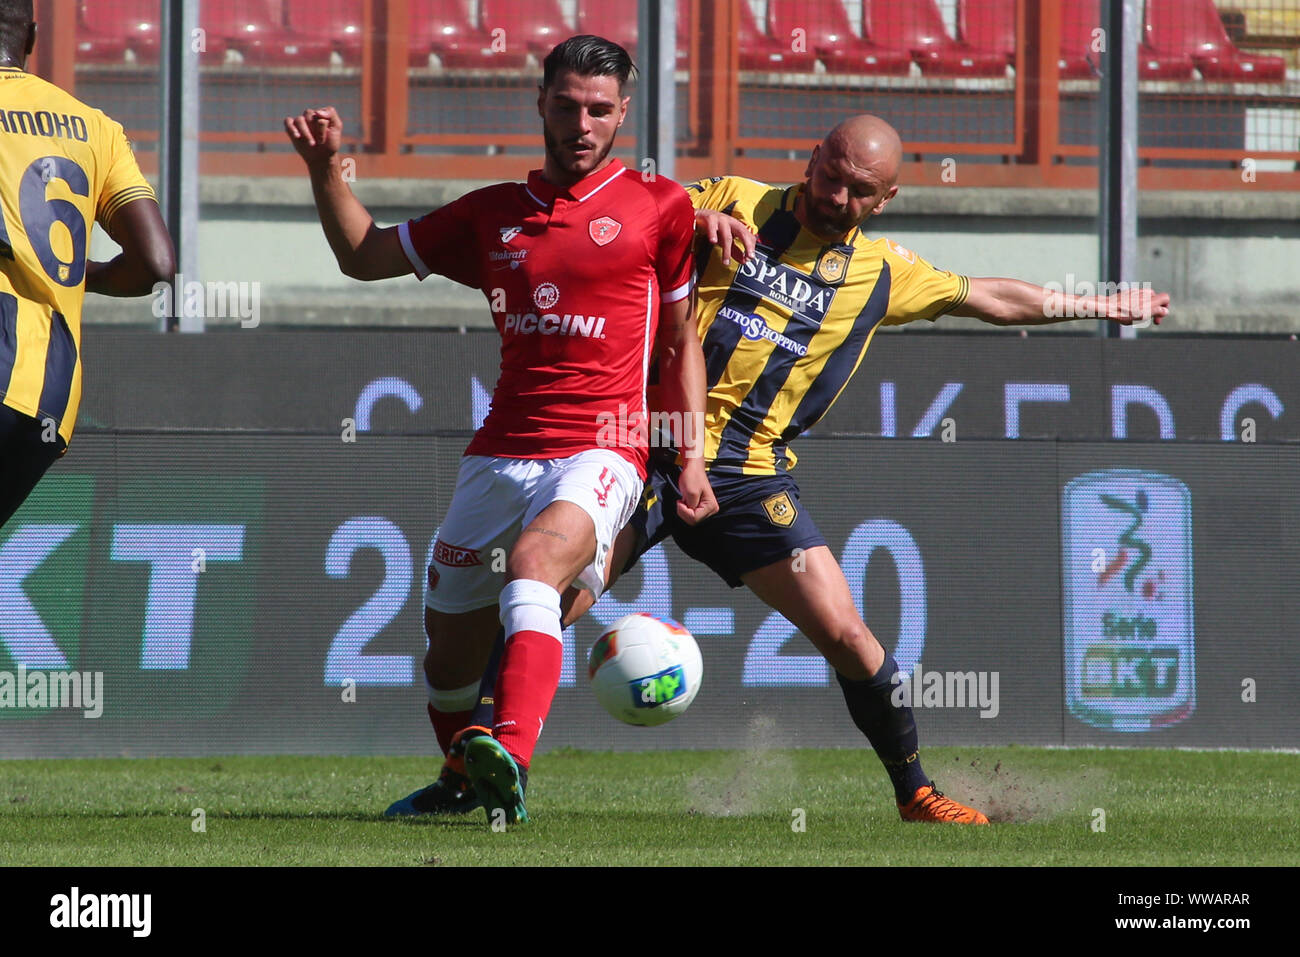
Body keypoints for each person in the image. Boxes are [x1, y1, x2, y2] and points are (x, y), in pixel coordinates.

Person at [400, 113, 1171, 826]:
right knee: (547, 600)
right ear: (811, 159)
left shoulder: (881, 273)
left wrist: (1100, 302)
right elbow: (641, 217)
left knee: (848, 635)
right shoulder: (733, 197)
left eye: (856, 189)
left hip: (743, 475)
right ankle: (471, 769)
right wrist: (694, 221)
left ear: (887, 198)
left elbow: (994, 298)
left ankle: (917, 792)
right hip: (638, 443)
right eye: (828, 173)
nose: (834, 194)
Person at [286, 35, 716, 826]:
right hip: (500, 448)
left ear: (623, 113)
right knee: (445, 658)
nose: (582, 123)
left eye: (598, 109)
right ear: (540, 102)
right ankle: (461, 779)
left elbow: (683, 339)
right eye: (566, 105)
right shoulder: (491, 214)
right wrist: (326, 169)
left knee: (535, 564)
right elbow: (363, 255)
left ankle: (510, 753)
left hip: (605, 442)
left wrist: (689, 456)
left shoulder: (662, 206)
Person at [0, 0, 175, 528]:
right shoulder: (94, 126)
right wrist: (85, 275)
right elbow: (158, 262)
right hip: (48, 396)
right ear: (31, 38)